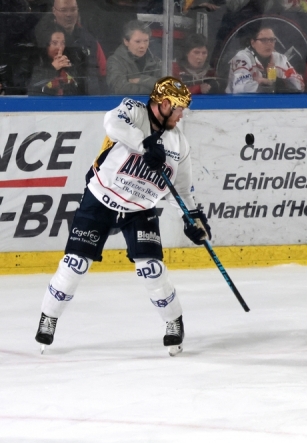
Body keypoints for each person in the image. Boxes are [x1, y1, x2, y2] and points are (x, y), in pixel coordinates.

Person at [34, 77, 212, 357]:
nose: (182, 115)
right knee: (75, 263)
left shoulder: (179, 143)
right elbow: (111, 123)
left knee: (151, 269)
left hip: (140, 209)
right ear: (164, 104)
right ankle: (49, 316)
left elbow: (181, 189)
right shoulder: (133, 111)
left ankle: (173, 323)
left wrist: (192, 219)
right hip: (100, 198)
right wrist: (145, 146)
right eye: (178, 108)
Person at [34, 0, 106, 94]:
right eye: (63, 10)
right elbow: (30, 84)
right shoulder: (40, 37)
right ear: (54, 11)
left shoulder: (89, 40)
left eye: (73, 9)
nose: (69, 14)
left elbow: (99, 75)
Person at [226, 26, 304, 94]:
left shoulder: (280, 58)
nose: (269, 43)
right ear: (253, 43)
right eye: (264, 40)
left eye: (272, 40)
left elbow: (300, 85)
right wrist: (269, 86)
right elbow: (241, 89)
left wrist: (276, 82)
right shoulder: (242, 58)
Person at [106, 20, 162, 95]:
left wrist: (140, 80)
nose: (143, 46)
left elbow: (168, 87)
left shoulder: (155, 61)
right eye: (137, 41)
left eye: (146, 41)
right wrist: (153, 91)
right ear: (126, 41)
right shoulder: (115, 61)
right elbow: (121, 89)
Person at [28, 26, 83, 96]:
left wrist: (71, 69)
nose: (60, 47)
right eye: (54, 43)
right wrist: (52, 68)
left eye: (63, 43)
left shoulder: (72, 61)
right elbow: (30, 89)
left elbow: (81, 88)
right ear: (46, 45)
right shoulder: (34, 62)